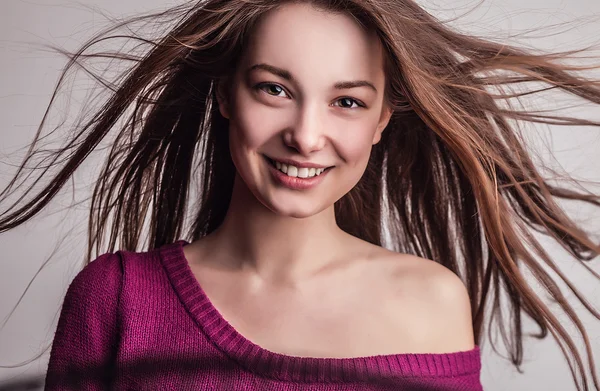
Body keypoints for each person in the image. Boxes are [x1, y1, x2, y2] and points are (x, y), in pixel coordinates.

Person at [1, 0, 599, 390]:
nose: (306, 136)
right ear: (225, 95)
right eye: (274, 89)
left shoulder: (430, 304)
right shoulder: (115, 298)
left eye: (347, 102)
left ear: (382, 120)